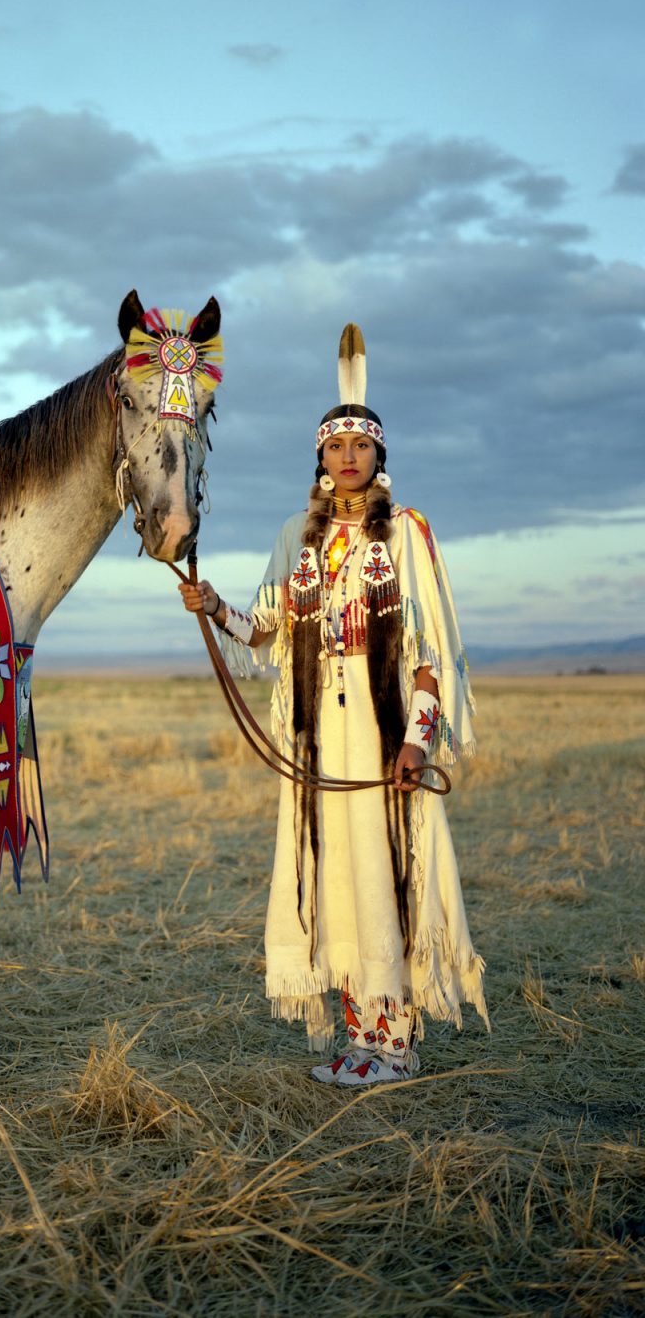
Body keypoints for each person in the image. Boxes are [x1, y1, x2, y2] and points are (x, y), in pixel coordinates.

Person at [180, 324, 487, 1084]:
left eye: (361, 447)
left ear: (380, 455)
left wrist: (417, 743)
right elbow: (268, 630)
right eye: (334, 447)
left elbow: (429, 653)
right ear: (319, 456)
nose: (347, 458)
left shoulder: (407, 536)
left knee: (384, 874)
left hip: (383, 742)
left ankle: (396, 1043)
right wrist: (215, 605)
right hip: (319, 741)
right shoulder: (296, 536)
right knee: (332, 877)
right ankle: (359, 1036)